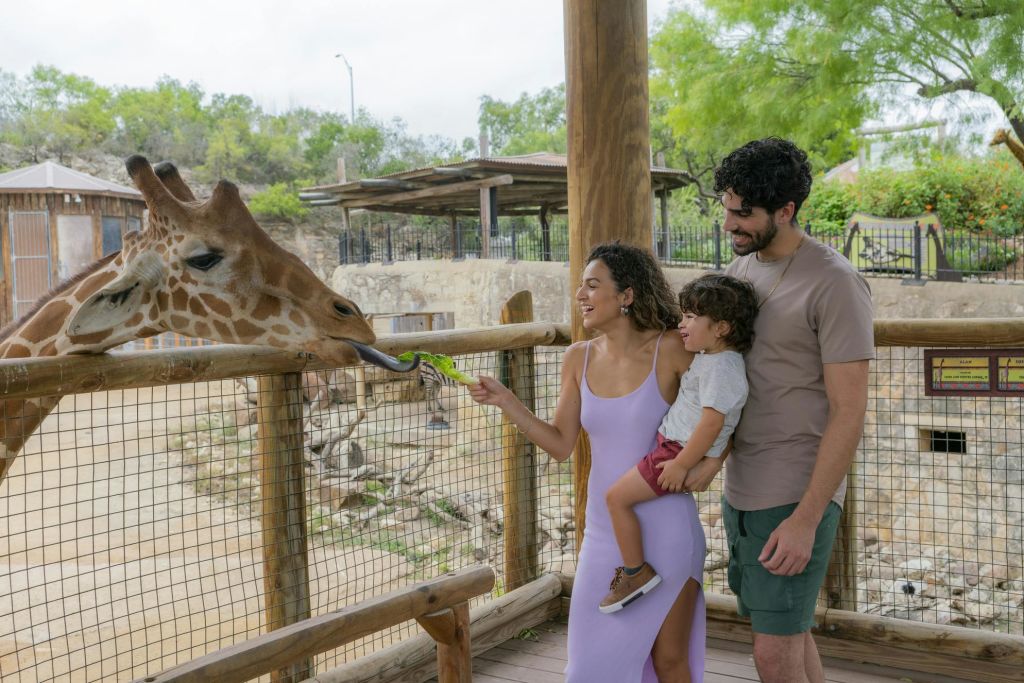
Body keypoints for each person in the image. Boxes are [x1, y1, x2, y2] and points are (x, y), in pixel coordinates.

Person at [681, 137, 874, 683]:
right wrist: (715, 463)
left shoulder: (835, 283)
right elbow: (735, 385)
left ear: (786, 211)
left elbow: (849, 410)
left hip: (794, 494)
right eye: (726, 210)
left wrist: (806, 520)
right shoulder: (742, 272)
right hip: (744, 487)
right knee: (789, 635)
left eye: (743, 215)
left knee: (773, 655)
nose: (729, 225)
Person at [469, 242, 705, 682]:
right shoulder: (576, 357)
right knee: (586, 667)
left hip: (669, 527)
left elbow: (727, 408)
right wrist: (507, 402)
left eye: (593, 285)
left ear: (627, 296)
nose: (581, 295)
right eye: (579, 286)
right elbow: (561, 444)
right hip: (602, 534)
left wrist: (708, 465)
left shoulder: (673, 349)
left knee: (669, 662)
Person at [600, 274, 758, 614]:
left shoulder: (723, 367)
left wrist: (684, 463)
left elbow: (712, 422)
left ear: (721, 328)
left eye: (690, 317)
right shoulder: (712, 358)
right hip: (674, 448)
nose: (681, 323)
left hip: (675, 452)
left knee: (615, 499)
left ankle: (634, 572)